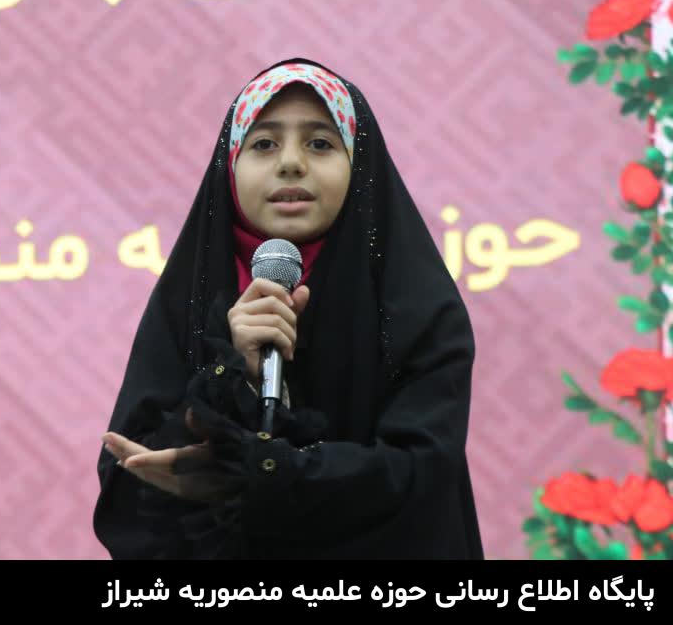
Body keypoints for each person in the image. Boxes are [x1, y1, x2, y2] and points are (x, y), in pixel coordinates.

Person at [94, 57, 483, 559]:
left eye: (320, 143)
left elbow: (420, 474)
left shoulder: (418, 307)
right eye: (263, 144)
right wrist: (229, 372)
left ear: (359, 166)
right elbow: (130, 490)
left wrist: (259, 473)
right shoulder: (185, 304)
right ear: (230, 168)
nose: (291, 163)